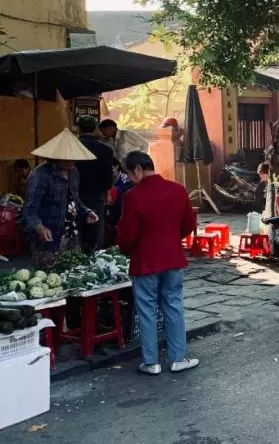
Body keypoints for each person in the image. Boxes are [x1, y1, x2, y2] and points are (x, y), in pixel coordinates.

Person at [115, 151, 199, 376]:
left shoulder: (133, 197)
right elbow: (189, 224)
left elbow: (127, 235)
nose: (130, 179)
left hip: (145, 261)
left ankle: (151, 362)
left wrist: (125, 250)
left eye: (129, 174)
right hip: (173, 258)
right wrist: (172, 237)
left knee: (147, 310)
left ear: (139, 170)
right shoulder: (178, 190)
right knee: (174, 306)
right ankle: (178, 358)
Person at [21, 130, 99, 269]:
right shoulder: (40, 176)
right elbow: (29, 210)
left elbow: (74, 199)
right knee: (50, 278)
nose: (72, 161)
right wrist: (40, 228)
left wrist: (86, 211)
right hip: (49, 239)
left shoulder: (74, 173)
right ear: (56, 157)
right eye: (67, 158)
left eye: (74, 158)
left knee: (74, 275)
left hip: (72, 236)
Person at [75, 116, 115, 253]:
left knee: (78, 226)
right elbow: (108, 175)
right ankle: (95, 257)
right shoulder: (106, 150)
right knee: (97, 225)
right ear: (95, 128)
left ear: (78, 128)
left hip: (76, 194)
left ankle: (78, 255)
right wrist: (108, 191)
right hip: (98, 193)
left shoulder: (72, 148)